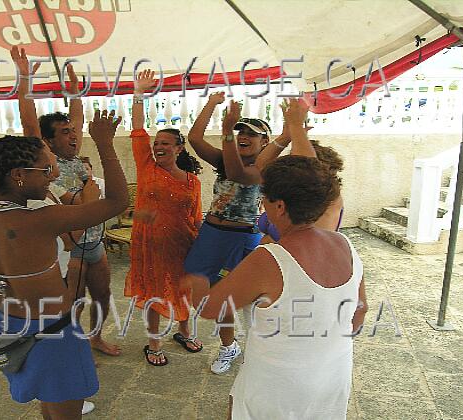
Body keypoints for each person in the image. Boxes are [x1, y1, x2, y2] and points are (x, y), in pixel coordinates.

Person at [0, 110, 127, 419]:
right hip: (53, 332)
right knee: (65, 410)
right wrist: (105, 144)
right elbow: (117, 202)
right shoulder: (42, 219)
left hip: (6, 326)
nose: (54, 176)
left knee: (49, 401)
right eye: (47, 170)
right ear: (19, 175)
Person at [182, 151, 367, 419]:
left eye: (263, 198)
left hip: (279, 381)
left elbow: (211, 308)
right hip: (333, 375)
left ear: (280, 206)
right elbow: (359, 312)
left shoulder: (269, 259)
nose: (261, 205)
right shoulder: (345, 246)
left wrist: (196, 281)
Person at [10, 46, 120, 358]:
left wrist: (74, 92)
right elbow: (30, 123)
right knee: (71, 301)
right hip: (67, 245)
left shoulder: (75, 154)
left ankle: (96, 338)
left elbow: (79, 118)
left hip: (93, 240)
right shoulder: (46, 160)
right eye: (65, 132)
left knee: (101, 293)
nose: (73, 135)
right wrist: (24, 78)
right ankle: (73, 351)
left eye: (74, 131)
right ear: (48, 141)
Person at [182, 92, 269, 374]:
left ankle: (260, 350)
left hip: (245, 238)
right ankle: (229, 346)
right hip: (213, 234)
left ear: (265, 142)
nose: (243, 135)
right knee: (216, 294)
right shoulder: (225, 159)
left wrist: (226, 134)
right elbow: (194, 139)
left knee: (252, 298)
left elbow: (241, 174)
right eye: (239, 130)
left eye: (252, 134)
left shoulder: (266, 168)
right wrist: (211, 104)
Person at [123, 70, 204, 366]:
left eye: (166, 143)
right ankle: (153, 343)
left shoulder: (193, 181)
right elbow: (137, 129)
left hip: (183, 244)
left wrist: (209, 244)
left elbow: (195, 217)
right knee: (154, 293)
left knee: (183, 289)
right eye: (157, 142)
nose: (158, 146)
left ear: (179, 148)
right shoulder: (147, 167)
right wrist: (139, 94)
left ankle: (184, 332)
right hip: (150, 245)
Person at [255, 105, 345, 240]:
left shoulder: (329, 198)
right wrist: (285, 136)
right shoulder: (291, 191)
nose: (292, 166)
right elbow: (261, 164)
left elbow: (310, 167)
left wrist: (296, 125)